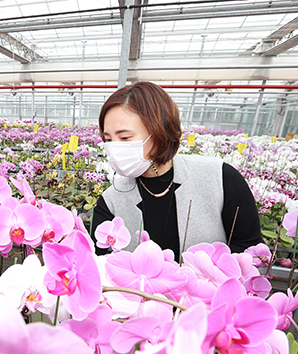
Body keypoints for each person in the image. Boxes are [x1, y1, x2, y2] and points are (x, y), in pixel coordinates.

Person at [91, 81, 262, 262]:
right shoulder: (111, 201)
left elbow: (250, 249)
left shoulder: (220, 178)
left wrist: (203, 273)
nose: (114, 148)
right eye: (108, 139)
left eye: (125, 138)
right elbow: (102, 264)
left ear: (159, 131)